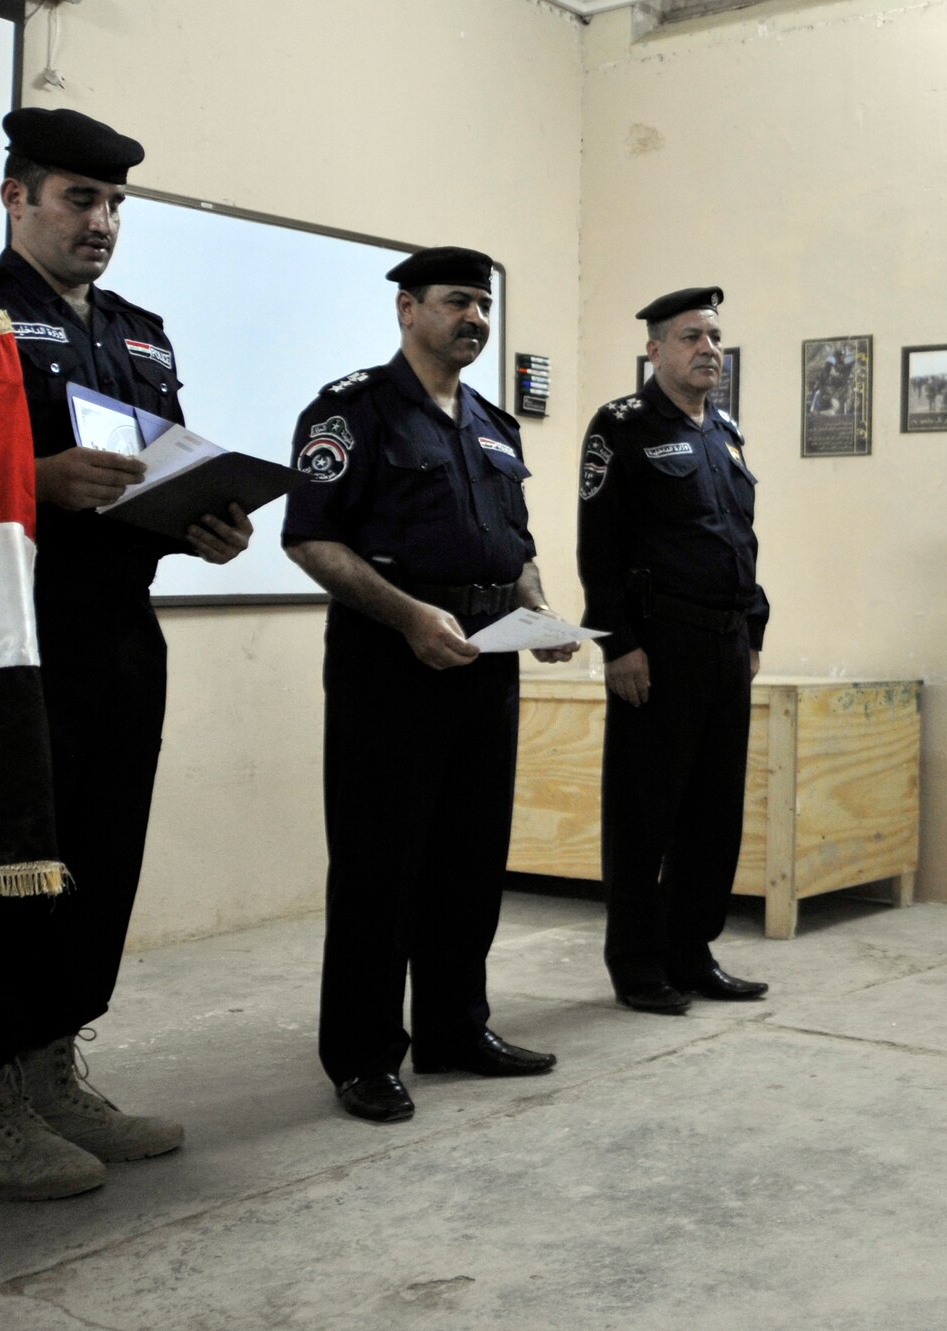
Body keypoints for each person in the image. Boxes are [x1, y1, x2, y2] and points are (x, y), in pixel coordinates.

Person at [0, 108, 252, 1201]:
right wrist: (30, 481)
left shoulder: (143, 330)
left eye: (113, 206)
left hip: (118, 628)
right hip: (4, 630)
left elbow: (168, 458)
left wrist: (211, 520)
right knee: (17, 857)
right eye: (79, 199)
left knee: (101, 850)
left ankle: (54, 1065)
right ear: (18, 198)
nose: (101, 222)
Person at [282, 248, 572, 1124]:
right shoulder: (351, 410)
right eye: (456, 302)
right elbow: (310, 539)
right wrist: (409, 615)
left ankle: (453, 1027)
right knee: (381, 863)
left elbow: (512, 546)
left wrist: (541, 610)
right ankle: (364, 1054)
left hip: (489, 659)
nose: (474, 318)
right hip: (390, 662)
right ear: (408, 309)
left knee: (470, 857)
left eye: (483, 304)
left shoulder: (492, 422)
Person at [575, 287, 770, 1014]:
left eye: (714, 337)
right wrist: (617, 642)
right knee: (645, 811)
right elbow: (599, 545)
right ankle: (637, 965)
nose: (708, 349)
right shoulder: (620, 426)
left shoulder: (723, 429)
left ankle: (693, 951)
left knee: (714, 811)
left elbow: (739, 539)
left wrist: (754, 626)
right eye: (691, 336)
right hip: (658, 644)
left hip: (724, 643)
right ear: (654, 349)